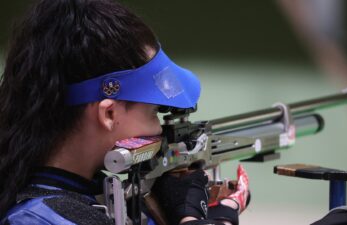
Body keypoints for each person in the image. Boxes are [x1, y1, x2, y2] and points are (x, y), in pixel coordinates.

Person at [0, 0, 249, 225]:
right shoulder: (33, 219)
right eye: (153, 112)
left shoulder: (97, 195)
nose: (159, 129)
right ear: (109, 114)